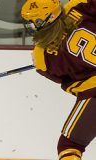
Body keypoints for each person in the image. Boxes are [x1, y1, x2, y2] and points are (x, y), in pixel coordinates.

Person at [21, 0, 96, 160]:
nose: (31, 26)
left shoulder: (42, 58)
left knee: (69, 146)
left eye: (34, 22)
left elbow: (72, 84)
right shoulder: (79, 5)